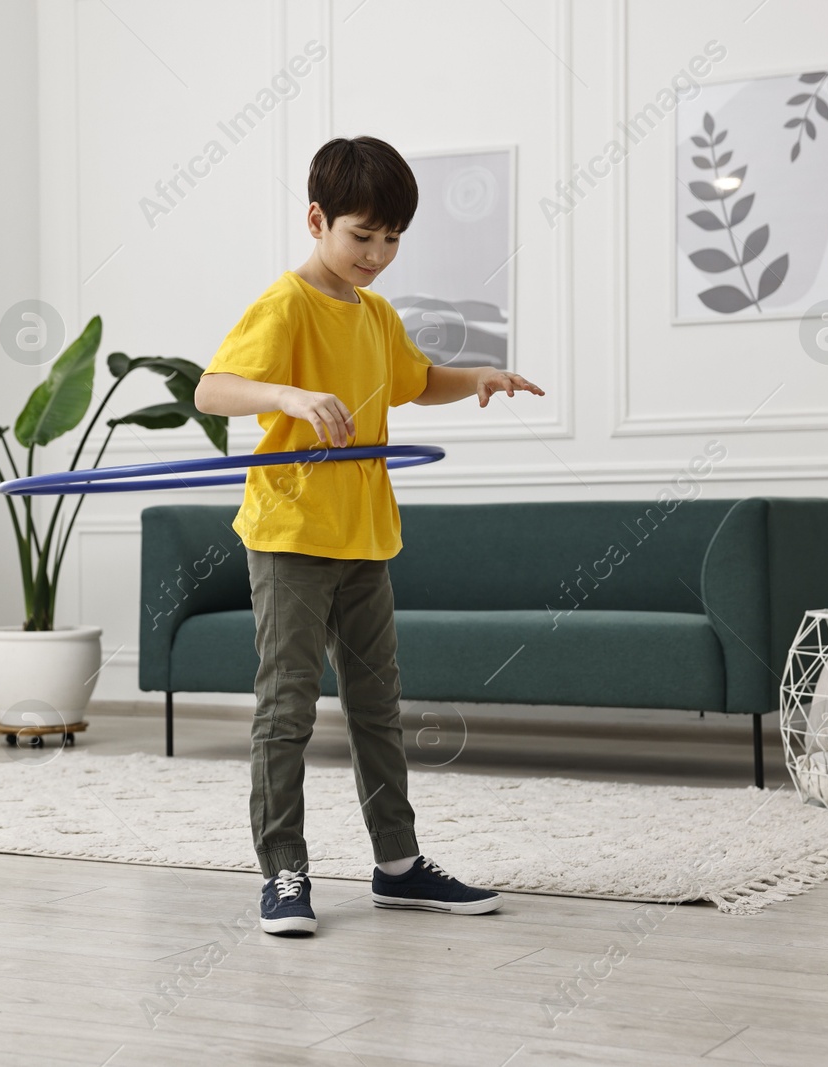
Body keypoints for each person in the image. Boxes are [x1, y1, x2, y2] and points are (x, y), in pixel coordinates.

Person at [193, 135, 546, 937]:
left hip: (364, 537)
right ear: (317, 219)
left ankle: (399, 866)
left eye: (392, 239)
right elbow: (213, 389)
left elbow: (420, 384)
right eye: (363, 235)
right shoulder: (287, 304)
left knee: (377, 705)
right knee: (286, 706)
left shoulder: (378, 314)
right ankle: (283, 869)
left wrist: (480, 377)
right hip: (291, 533)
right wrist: (288, 393)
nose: (378, 254)